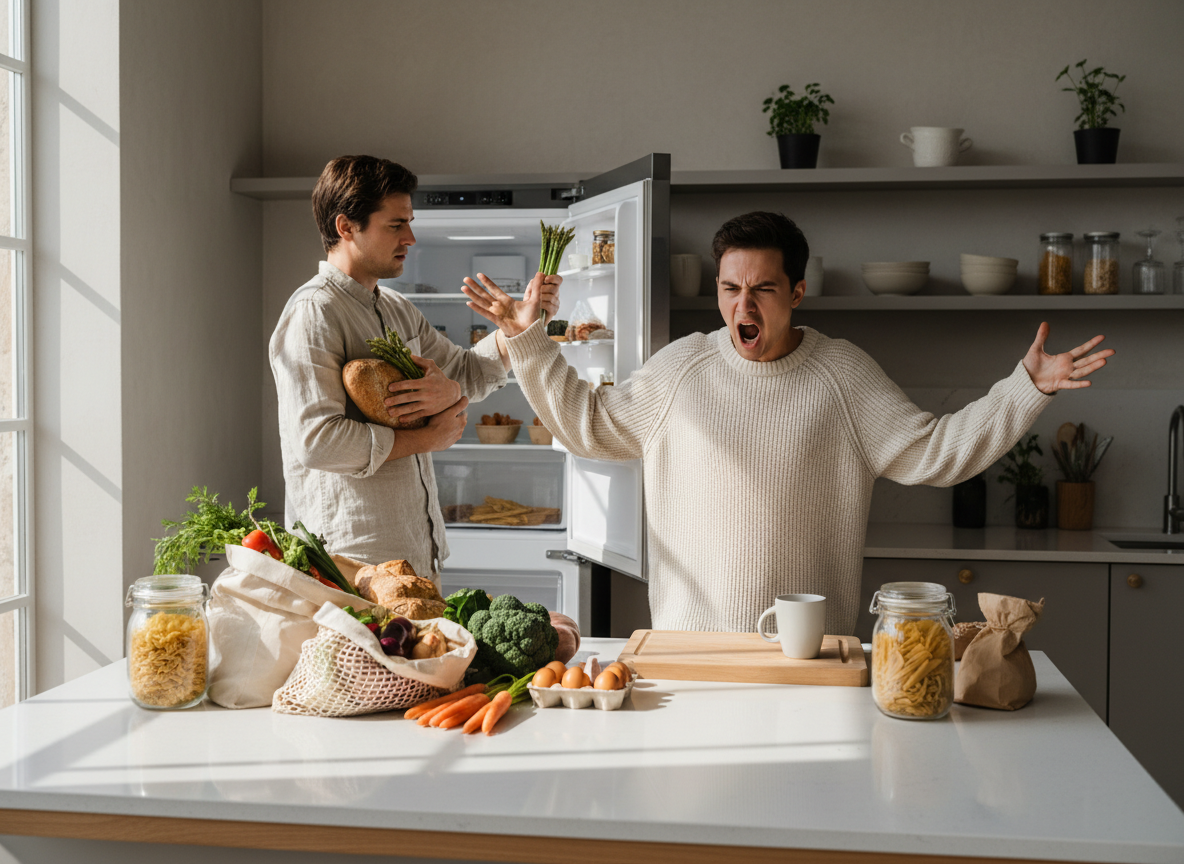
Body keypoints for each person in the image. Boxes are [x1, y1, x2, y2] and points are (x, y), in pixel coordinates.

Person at [461, 211, 1114, 635]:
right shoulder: (680, 367)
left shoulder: (842, 374)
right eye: (728, 289)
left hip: (811, 654)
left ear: (796, 291)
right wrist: (532, 345)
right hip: (695, 655)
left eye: (762, 290)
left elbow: (936, 453)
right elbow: (589, 426)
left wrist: (1025, 388)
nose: (741, 305)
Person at [269, 155, 557, 580]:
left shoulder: (397, 309)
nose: (411, 237)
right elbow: (318, 442)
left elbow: (468, 372)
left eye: (410, 221)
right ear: (346, 227)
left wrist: (518, 328)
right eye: (395, 225)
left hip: (416, 550)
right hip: (354, 560)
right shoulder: (315, 312)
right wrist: (425, 438)